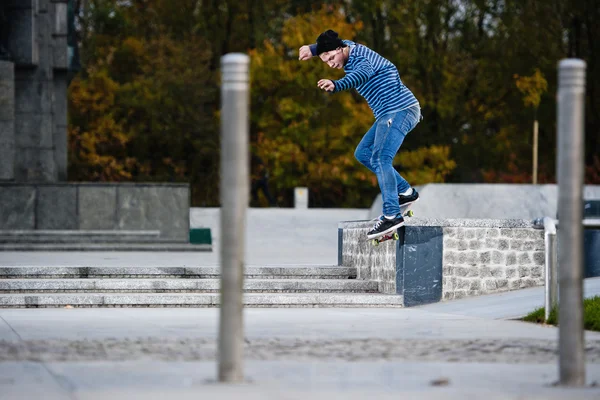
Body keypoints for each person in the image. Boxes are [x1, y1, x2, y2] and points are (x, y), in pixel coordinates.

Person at [298, 30, 421, 240]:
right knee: (363, 153)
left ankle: (392, 214)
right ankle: (405, 192)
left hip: (401, 109)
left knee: (382, 158)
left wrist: (337, 84)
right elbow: (335, 40)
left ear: (339, 50)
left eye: (332, 58)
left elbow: (360, 75)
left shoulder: (361, 59)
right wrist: (312, 49)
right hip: (386, 114)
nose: (331, 64)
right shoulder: (345, 46)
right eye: (325, 61)